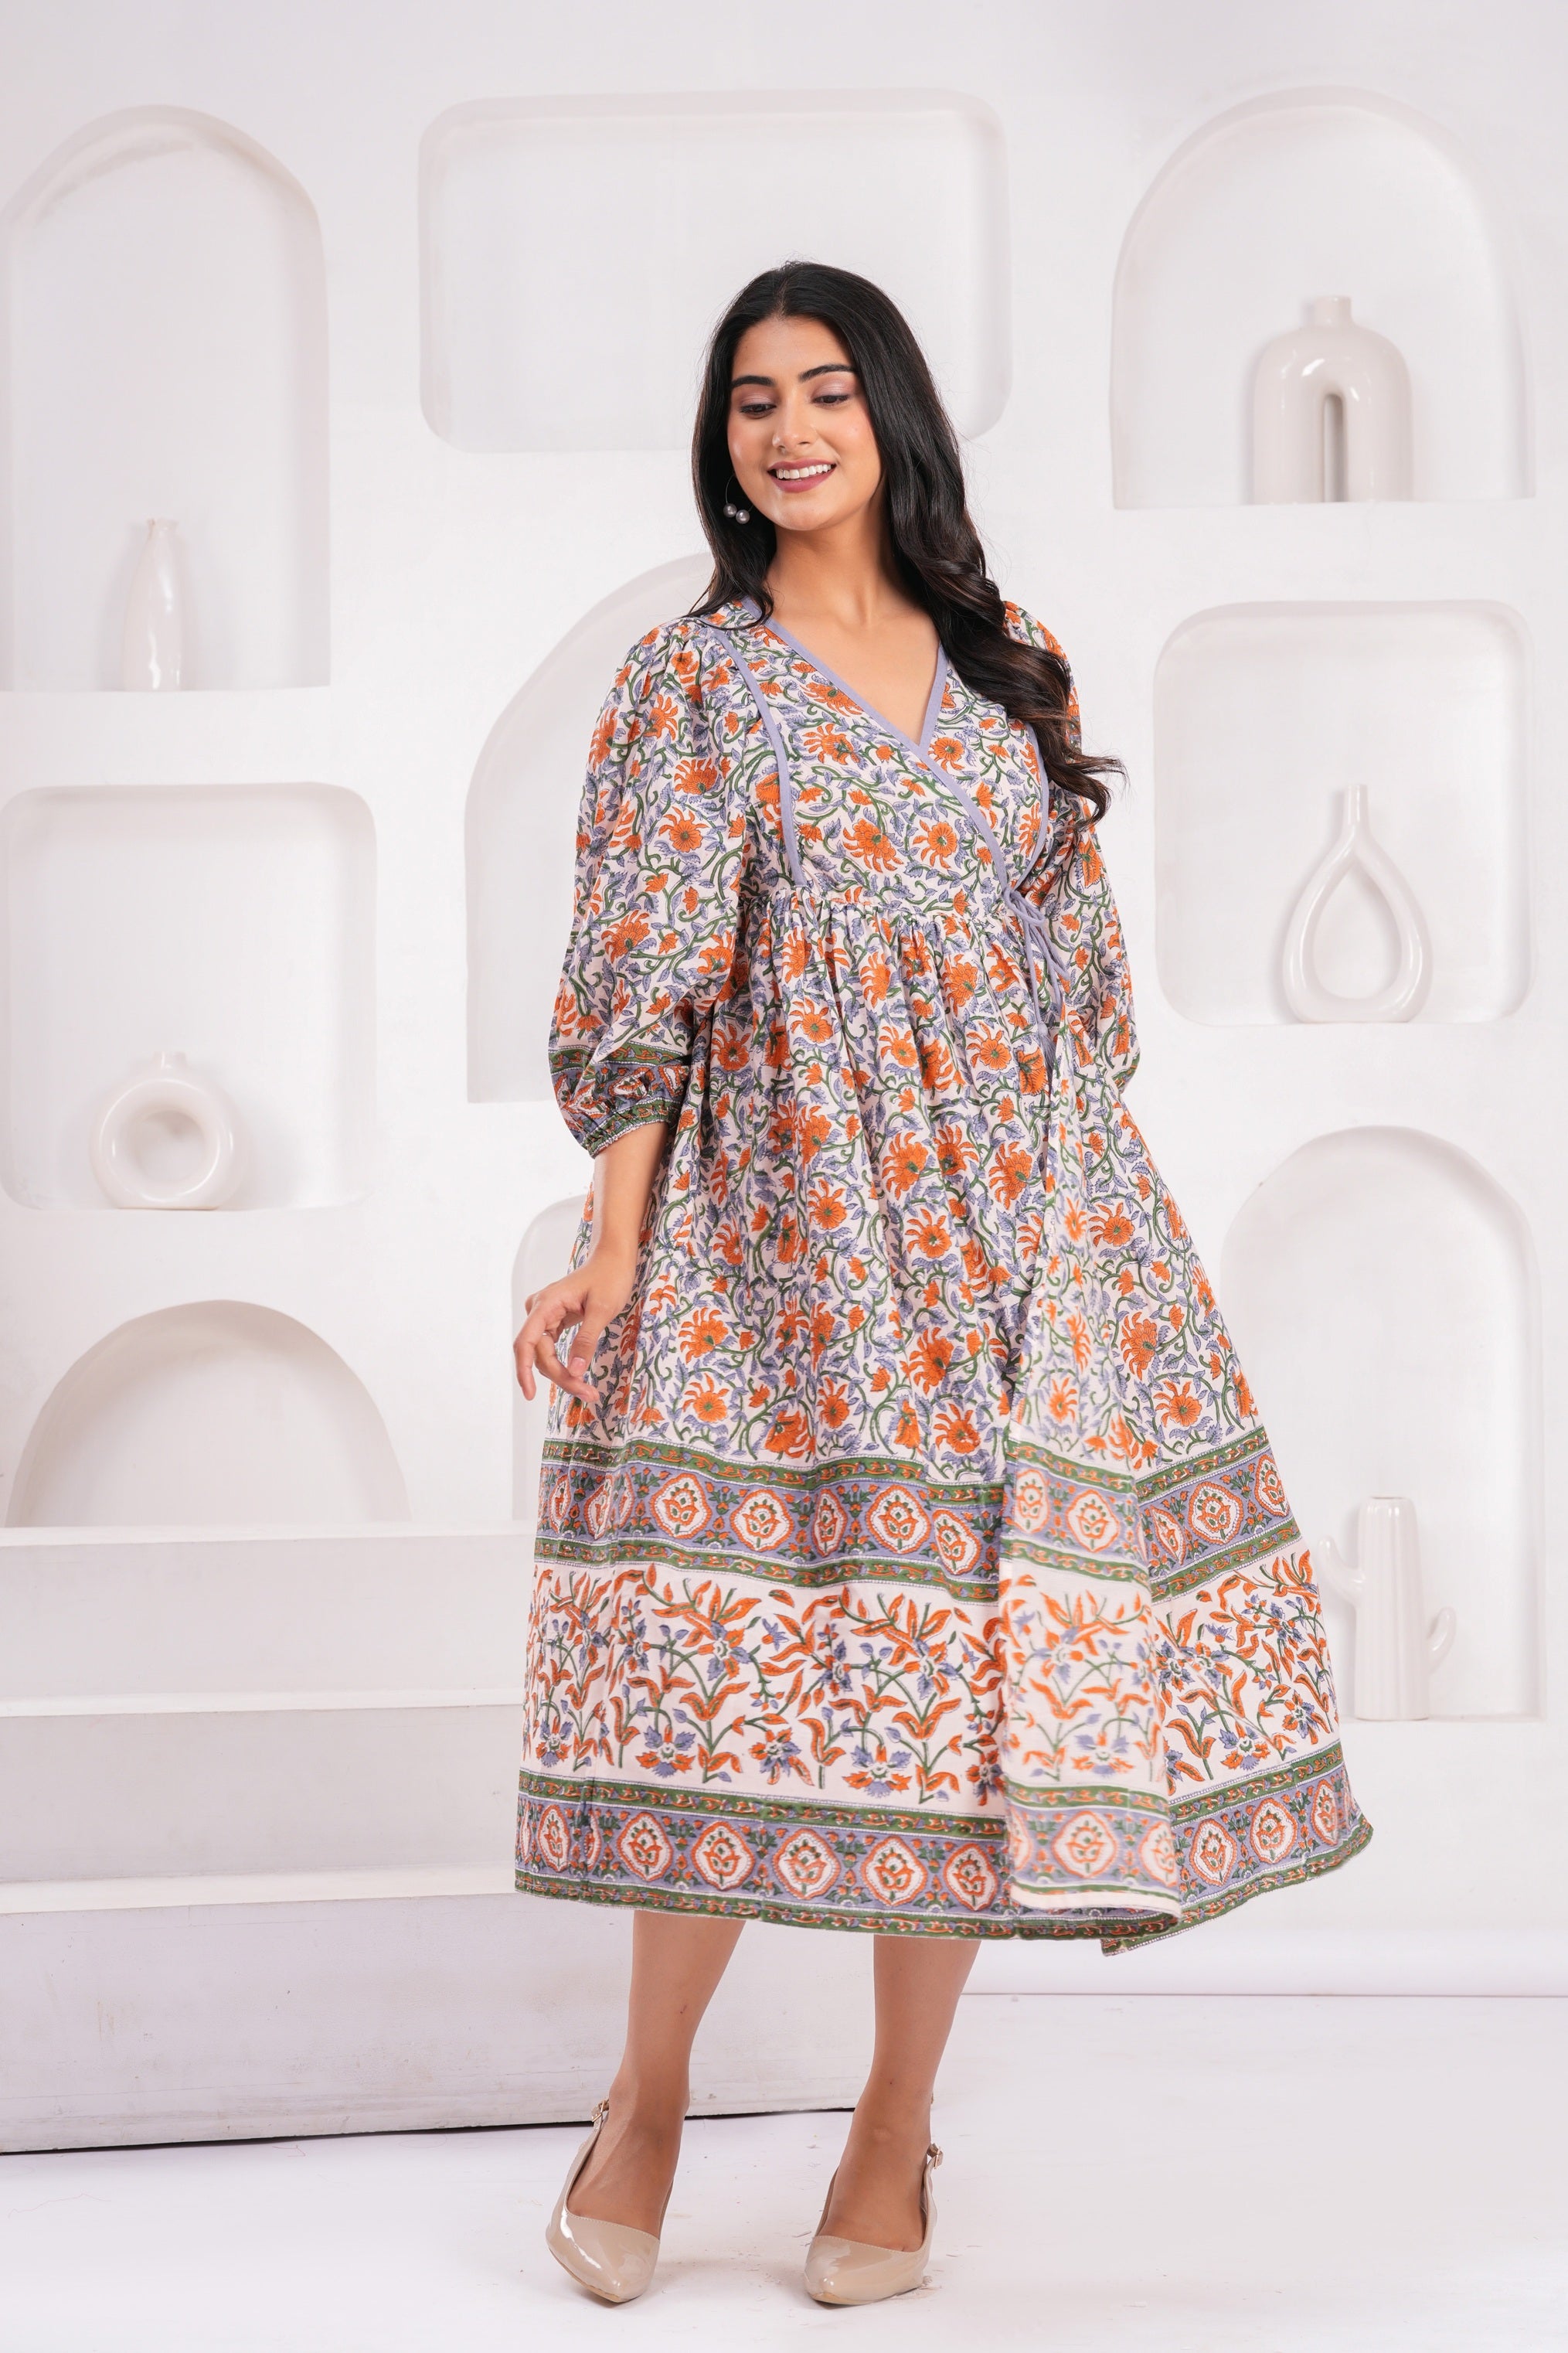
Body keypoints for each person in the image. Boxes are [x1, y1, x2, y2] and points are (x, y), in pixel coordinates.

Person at [512, 260, 1370, 2307]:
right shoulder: (690, 679)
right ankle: (647, 2096)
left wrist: (1094, 1242)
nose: (787, 428)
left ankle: (894, 2132)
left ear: (891, 411)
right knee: (729, 1668)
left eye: (823, 389)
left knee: (970, 1690)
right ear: (722, 445)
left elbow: (1080, 980)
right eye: (748, 403)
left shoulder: (1019, 664)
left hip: (1014, 1227)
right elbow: (647, 963)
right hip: (775, 1225)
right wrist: (618, 1232)